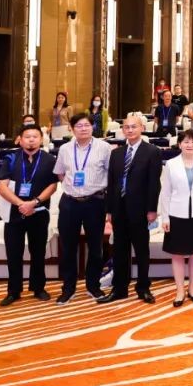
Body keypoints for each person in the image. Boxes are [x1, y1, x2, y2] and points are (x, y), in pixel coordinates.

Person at [99, 115, 162, 304]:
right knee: (119, 250)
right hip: (119, 210)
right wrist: (109, 210)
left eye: (134, 126)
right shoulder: (117, 153)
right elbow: (111, 183)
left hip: (141, 210)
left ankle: (143, 288)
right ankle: (119, 289)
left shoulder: (152, 151)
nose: (130, 130)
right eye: (126, 127)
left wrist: (152, 209)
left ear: (142, 128)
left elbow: (154, 183)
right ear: (123, 130)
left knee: (141, 251)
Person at [54, 113, 112, 303]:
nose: (83, 128)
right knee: (68, 247)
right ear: (72, 129)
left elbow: (111, 174)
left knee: (95, 247)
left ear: (92, 127)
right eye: (79, 126)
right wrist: (73, 187)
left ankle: (93, 286)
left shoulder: (104, 148)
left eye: (87, 125)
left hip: (95, 202)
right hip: (69, 202)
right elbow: (60, 173)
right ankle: (68, 288)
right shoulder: (65, 149)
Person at [0, 124, 57, 306]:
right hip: (14, 213)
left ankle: (38, 288)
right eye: (27, 137)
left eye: (35, 136)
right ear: (20, 140)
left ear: (41, 139)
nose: (31, 140)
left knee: (38, 252)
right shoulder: (11, 158)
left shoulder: (49, 160)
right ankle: (13, 291)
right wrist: (21, 204)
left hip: (39, 212)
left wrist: (34, 203)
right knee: (13, 253)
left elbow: (53, 186)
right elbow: (2, 187)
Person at [158, 129, 193, 307]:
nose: (190, 145)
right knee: (177, 253)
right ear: (179, 144)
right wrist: (165, 217)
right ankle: (180, 291)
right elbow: (165, 192)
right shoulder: (171, 164)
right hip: (176, 214)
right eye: (186, 141)